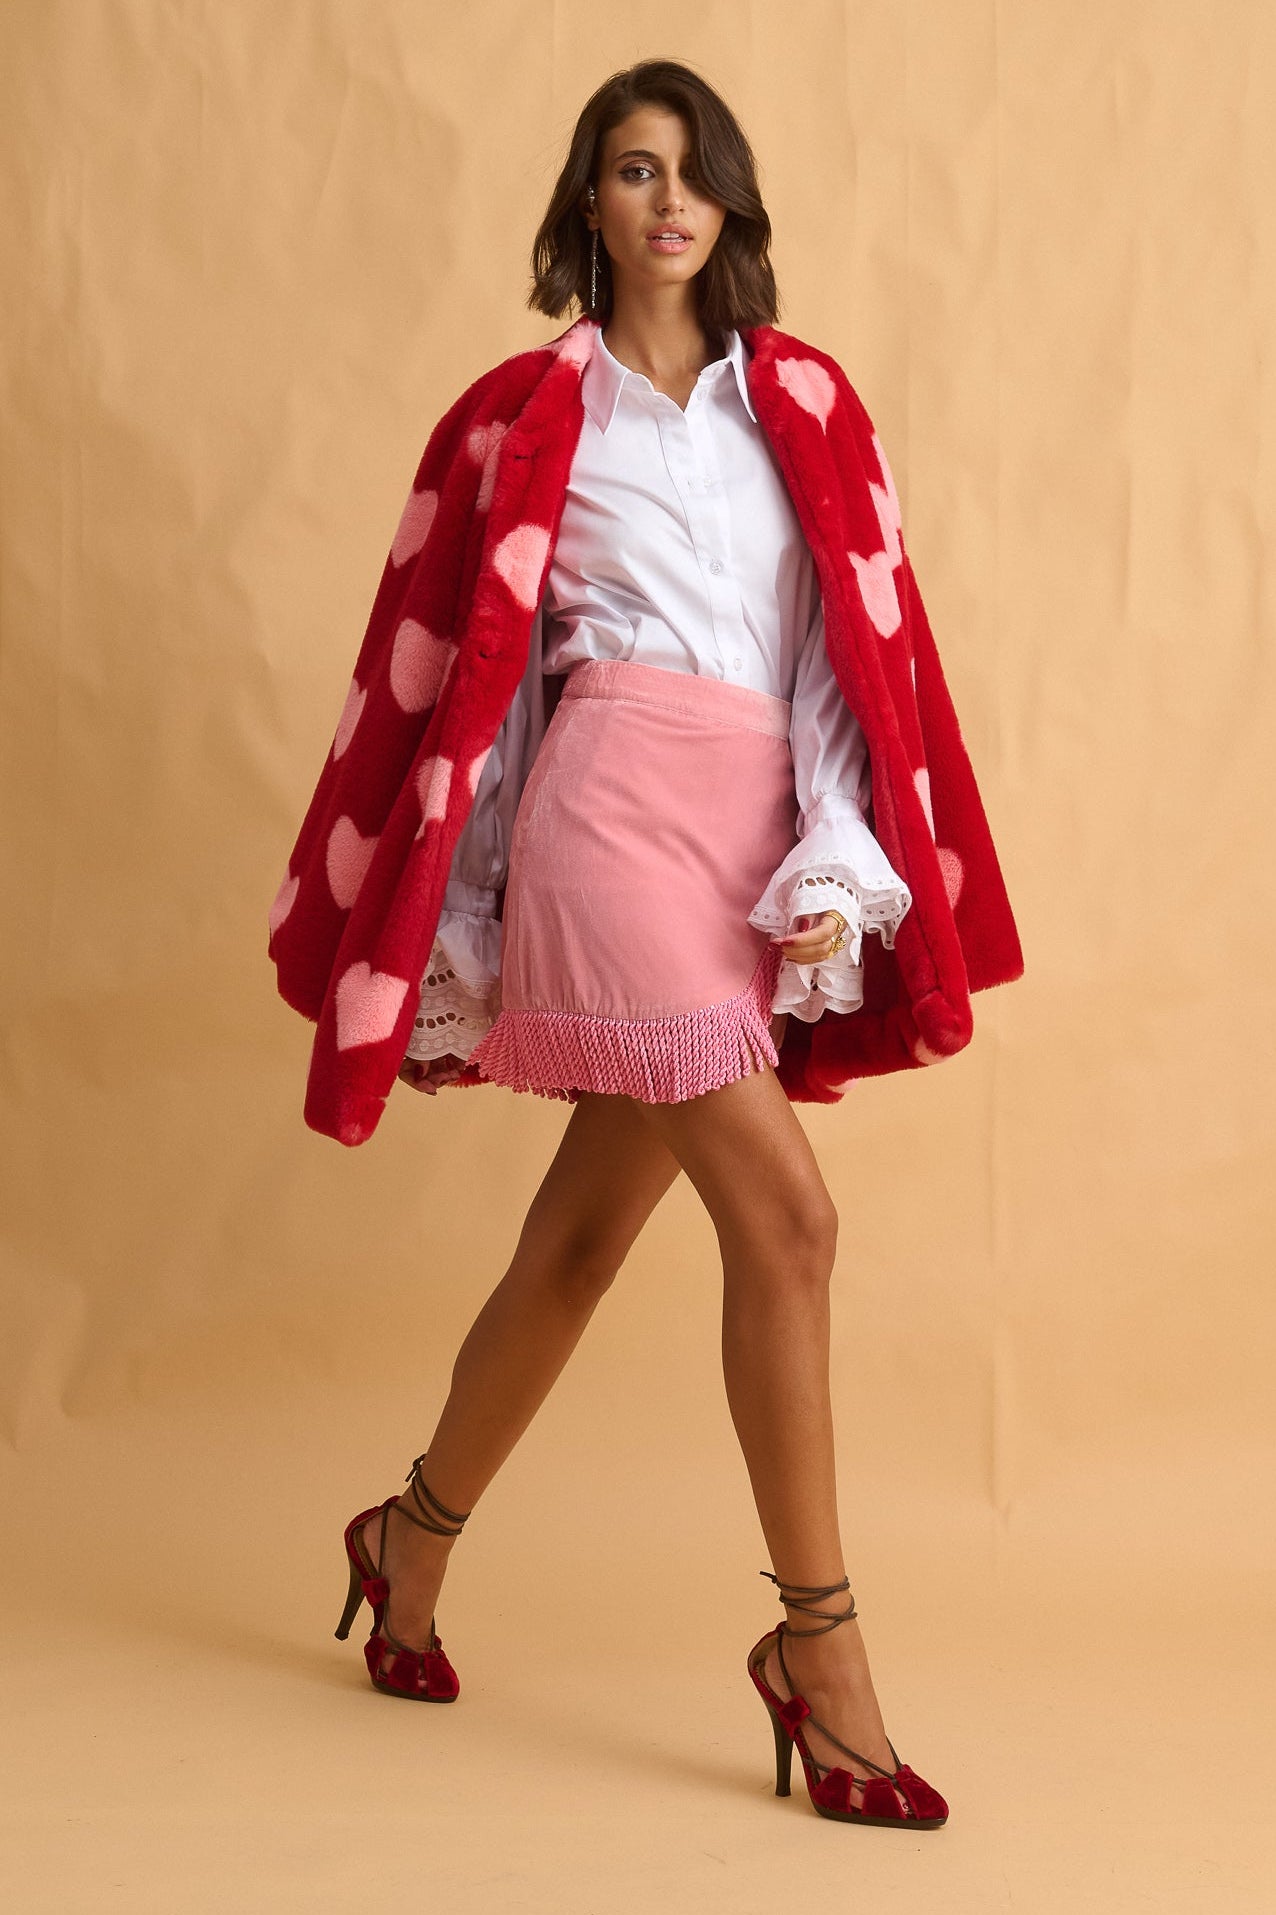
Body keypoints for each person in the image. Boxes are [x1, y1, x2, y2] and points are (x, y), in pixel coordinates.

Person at [321, 57, 1017, 1830]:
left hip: (752, 831)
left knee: (575, 1249)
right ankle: (821, 1651)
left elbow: (850, 656)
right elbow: (468, 683)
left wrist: (835, 856)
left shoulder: (804, 401)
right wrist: (465, 908)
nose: (671, 198)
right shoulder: (522, 417)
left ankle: (409, 1537)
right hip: (612, 827)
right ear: (593, 202)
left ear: (731, 202)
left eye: (695, 169)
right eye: (636, 169)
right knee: (792, 1223)